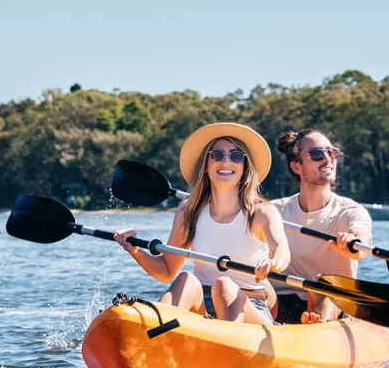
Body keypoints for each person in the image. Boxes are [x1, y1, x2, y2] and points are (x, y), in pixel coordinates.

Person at [112, 123, 290, 325]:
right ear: (206, 165)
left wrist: (273, 263)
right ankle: (153, 329)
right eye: (217, 155)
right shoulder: (188, 212)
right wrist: (134, 249)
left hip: (250, 307)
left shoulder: (261, 212)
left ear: (245, 167)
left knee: (224, 286)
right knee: (185, 279)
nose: (226, 162)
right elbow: (166, 270)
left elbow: (282, 251)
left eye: (236, 156)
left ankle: (228, 343)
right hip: (204, 305)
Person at [270, 129, 373, 324]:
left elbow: (361, 238)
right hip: (282, 302)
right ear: (297, 166)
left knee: (322, 285)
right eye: (317, 154)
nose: (328, 159)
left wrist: (353, 241)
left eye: (332, 152)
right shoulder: (273, 212)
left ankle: (317, 326)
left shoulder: (351, 211)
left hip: (334, 302)